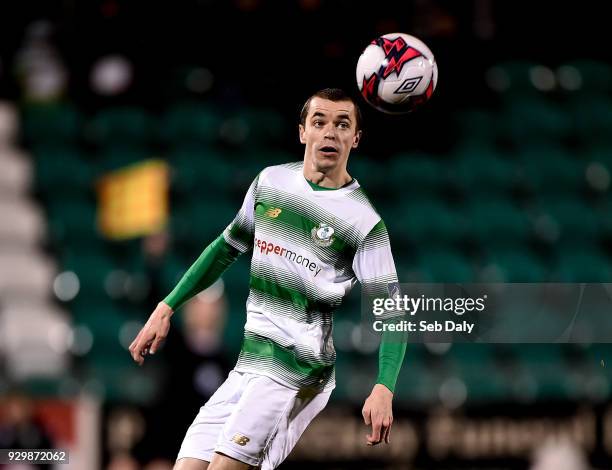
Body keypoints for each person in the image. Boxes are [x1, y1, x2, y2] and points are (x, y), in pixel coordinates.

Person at [129, 88, 407, 470]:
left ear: (355, 138)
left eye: (342, 124)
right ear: (302, 132)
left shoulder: (364, 222)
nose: (330, 132)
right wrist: (166, 306)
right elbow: (225, 247)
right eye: (319, 122)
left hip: (296, 368)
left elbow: (392, 314)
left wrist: (384, 386)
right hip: (248, 365)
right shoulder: (270, 183)